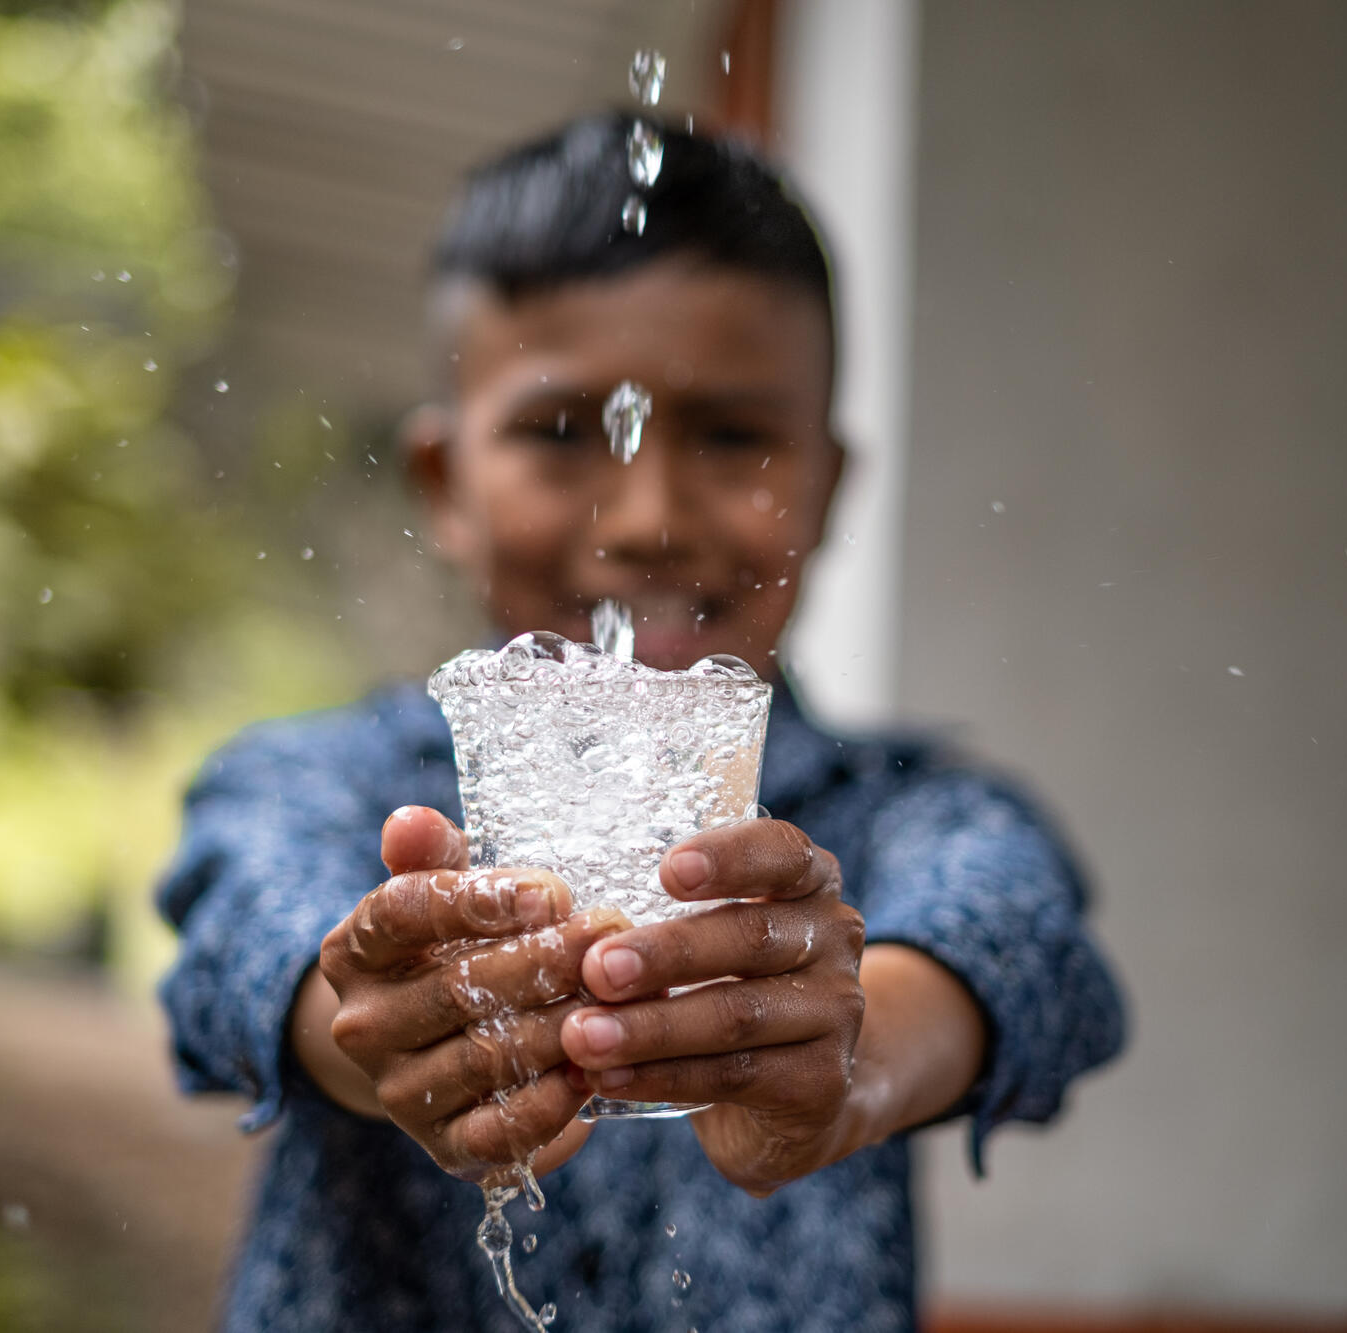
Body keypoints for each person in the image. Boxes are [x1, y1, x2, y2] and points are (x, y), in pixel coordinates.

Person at [157, 112, 1125, 1333]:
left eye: (731, 436)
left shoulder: (905, 818)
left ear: (827, 490)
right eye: (563, 434)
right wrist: (380, 1027)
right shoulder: (322, 788)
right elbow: (245, 931)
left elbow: (1022, 946)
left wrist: (849, 1057)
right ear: (442, 487)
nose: (649, 515)